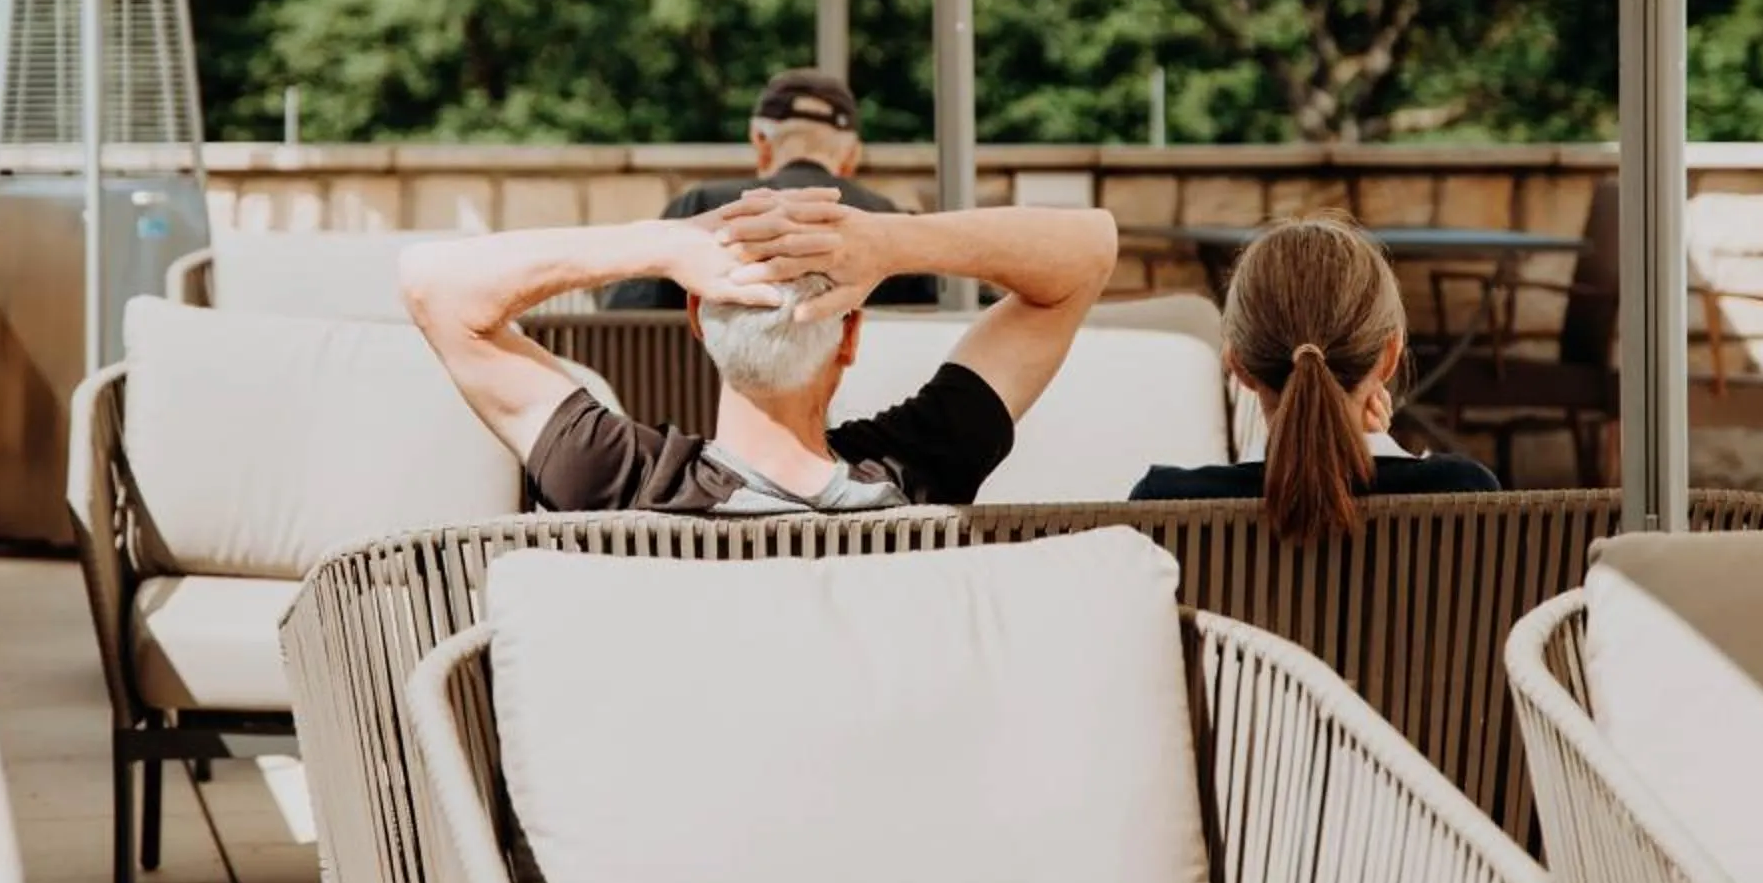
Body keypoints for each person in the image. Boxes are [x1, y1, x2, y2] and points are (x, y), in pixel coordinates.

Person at [401, 191, 1117, 515]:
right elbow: (1088, 253)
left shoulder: (618, 481)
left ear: (697, 321)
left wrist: (666, 244)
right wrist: (890, 241)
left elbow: (435, 285)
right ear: (851, 337)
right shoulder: (920, 468)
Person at [1130, 214, 1498, 534]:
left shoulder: (1164, 503)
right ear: (1390, 357)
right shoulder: (1465, 493)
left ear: (1238, 364)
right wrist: (1379, 448)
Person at [600, 68, 937, 309]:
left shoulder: (702, 207)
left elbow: (626, 315)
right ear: (851, 155)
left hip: (709, 389)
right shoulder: (891, 222)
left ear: (760, 140)